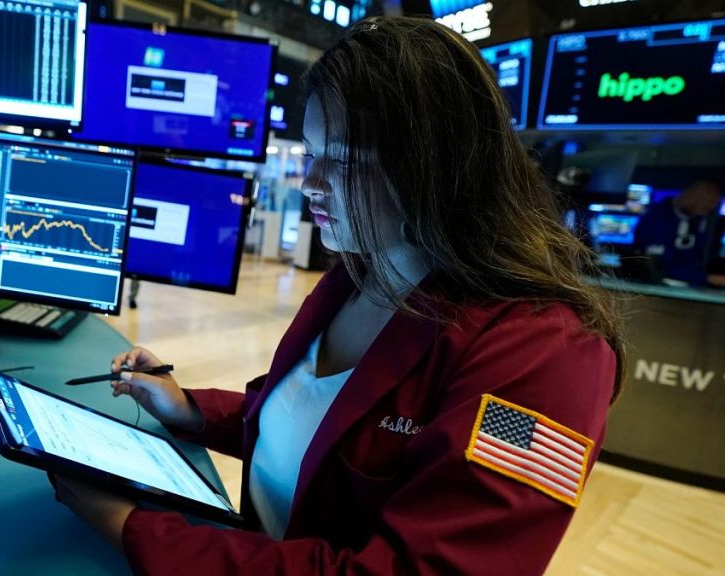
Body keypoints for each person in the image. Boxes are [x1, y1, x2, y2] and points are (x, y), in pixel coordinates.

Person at [48, 16, 623, 575]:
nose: (310, 184)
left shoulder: (549, 358)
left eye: (345, 163)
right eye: (310, 155)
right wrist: (193, 410)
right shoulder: (360, 273)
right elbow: (315, 424)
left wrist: (131, 528)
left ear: (441, 170)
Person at [631, 180, 722, 286]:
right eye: (704, 205)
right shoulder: (657, 218)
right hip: (661, 286)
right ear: (689, 196)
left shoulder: (697, 220)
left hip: (692, 286)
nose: (705, 211)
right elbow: (659, 264)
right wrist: (707, 278)